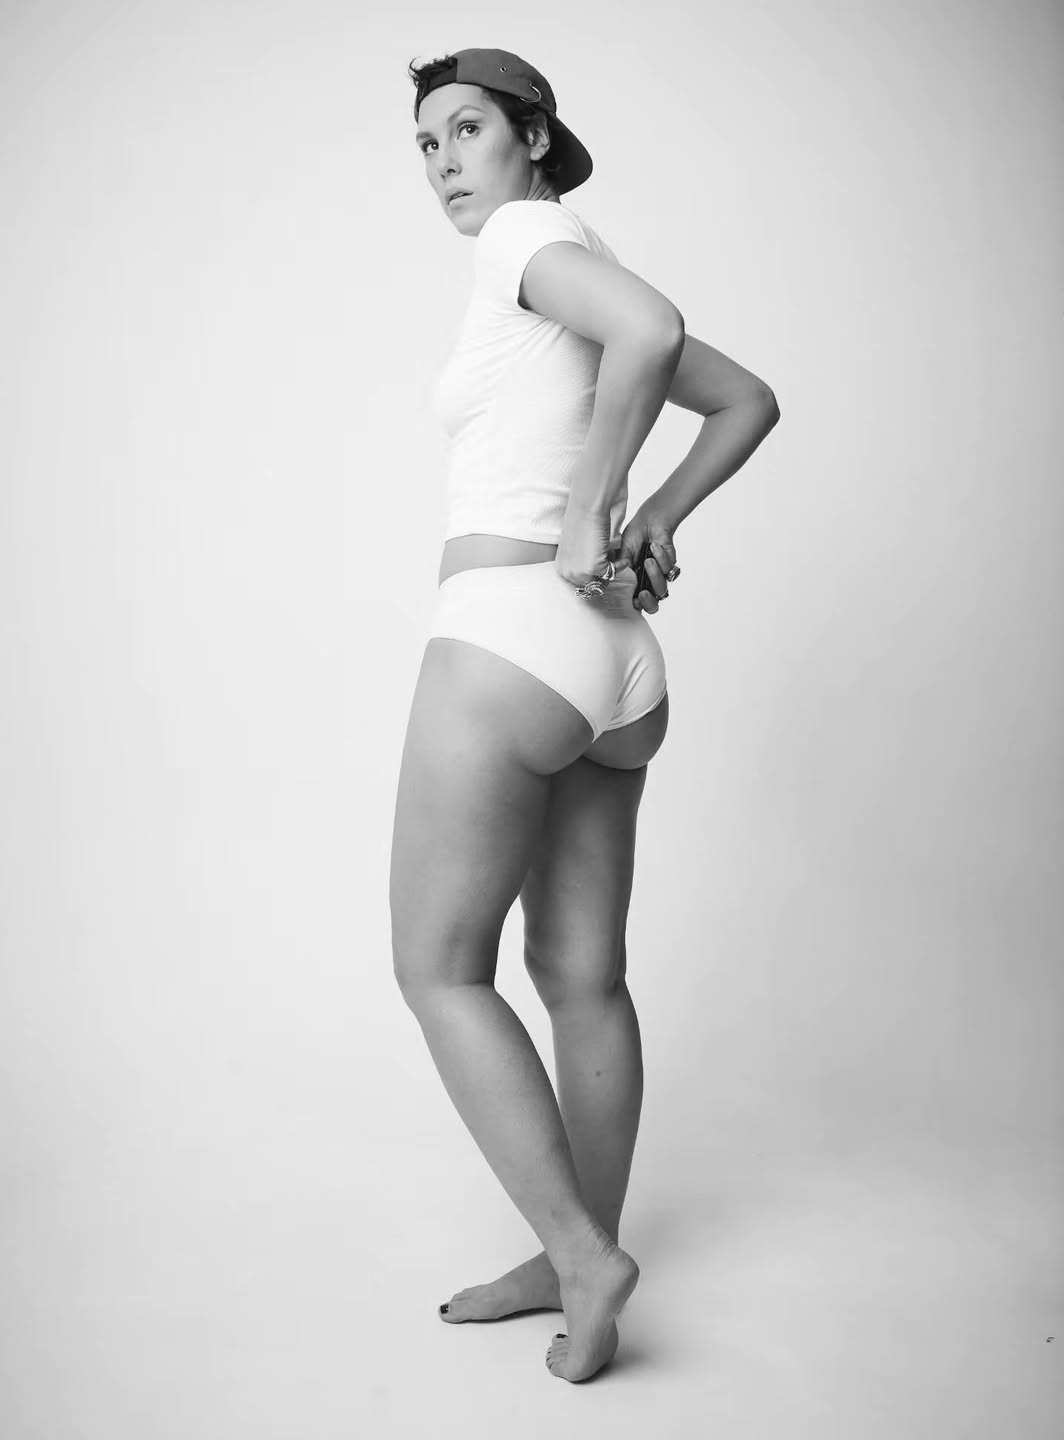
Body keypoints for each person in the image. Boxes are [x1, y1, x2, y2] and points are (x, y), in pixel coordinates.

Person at [390, 47, 780, 1383]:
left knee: (440, 970)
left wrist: (593, 511)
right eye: (426, 143)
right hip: (620, 666)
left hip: (511, 636)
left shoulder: (525, 240)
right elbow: (746, 398)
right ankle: (580, 1262)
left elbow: (654, 331)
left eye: (467, 129)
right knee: (583, 977)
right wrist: (655, 514)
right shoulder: (569, 265)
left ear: (536, 138)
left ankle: (579, 1248)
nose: (444, 161)